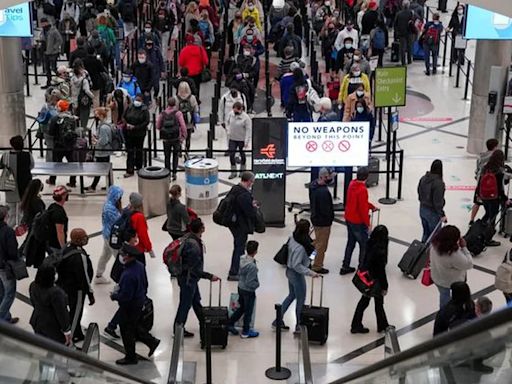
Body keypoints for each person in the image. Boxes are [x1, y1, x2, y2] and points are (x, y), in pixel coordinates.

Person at [112, 244, 160, 364]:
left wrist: (114, 296)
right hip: (139, 300)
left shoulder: (128, 275)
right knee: (134, 325)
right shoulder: (139, 266)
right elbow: (145, 283)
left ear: (128, 256)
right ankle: (151, 342)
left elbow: (126, 297)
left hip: (130, 306)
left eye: (122, 254)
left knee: (126, 329)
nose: (121, 256)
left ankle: (130, 357)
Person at [174, 218, 219, 337]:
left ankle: (204, 323)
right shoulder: (193, 246)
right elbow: (195, 269)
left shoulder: (189, 237)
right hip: (188, 279)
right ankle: (178, 329)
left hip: (188, 278)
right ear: (201, 229)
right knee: (185, 304)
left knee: (196, 301)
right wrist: (209, 276)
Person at [274, 219, 319, 334]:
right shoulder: (301, 247)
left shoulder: (293, 237)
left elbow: (310, 256)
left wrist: (314, 251)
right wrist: (311, 272)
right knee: (300, 299)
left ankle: (278, 320)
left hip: (289, 272)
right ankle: (299, 325)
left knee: (291, 295)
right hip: (296, 274)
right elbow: (297, 265)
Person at [56, 228, 94, 343]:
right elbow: (84, 277)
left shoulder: (67, 248)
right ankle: (72, 336)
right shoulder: (79, 256)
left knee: (72, 310)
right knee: (76, 311)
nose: (86, 239)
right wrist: (90, 293)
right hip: (77, 289)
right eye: (83, 237)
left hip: (64, 285)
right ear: (78, 240)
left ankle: (76, 331)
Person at [351, 225, 390, 334]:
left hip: (367, 278)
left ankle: (356, 324)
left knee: (364, 301)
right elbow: (381, 271)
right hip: (375, 281)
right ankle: (382, 325)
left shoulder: (369, 244)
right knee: (378, 303)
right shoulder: (380, 252)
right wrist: (385, 286)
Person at [341, 167, 378, 275]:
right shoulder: (362, 190)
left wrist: (371, 206)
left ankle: (345, 266)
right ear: (367, 176)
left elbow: (358, 202)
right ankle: (362, 267)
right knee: (364, 245)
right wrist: (368, 224)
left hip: (349, 218)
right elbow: (362, 209)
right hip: (358, 221)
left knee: (350, 243)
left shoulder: (352, 184)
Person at [430, 225, 473, 309]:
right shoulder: (453, 254)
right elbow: (469, 264)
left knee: (443, 296)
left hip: (437, 278)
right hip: (452, 282)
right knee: (457, 298)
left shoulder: (434, 246)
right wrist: (464, 248)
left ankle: (443, 313)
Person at [30, 265, 72, 345]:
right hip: (52, 326)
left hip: (37, 320)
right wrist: (67, 330)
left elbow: (33, 301)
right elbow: (61, 313)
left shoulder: (33, 285)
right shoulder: (56, 293)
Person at [226, 172, 257, 281]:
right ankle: (234, 272)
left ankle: (240, 267)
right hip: (240, 224)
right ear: (248, 181)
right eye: (252, 182)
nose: (252, 184)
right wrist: (254, 207)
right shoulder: (244, 194)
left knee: (239, 245)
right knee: (239, 247)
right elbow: (249, 212)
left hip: (233, 223)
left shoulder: (235, 189)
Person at [227, 241, 260, 338]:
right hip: (248, 291)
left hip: (240, 287)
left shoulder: (242, 259)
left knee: (241, 308)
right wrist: (257, 284)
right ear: (256, 251)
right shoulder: (252, 266)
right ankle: (246, 331)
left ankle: (230, 323)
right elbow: (250, 282)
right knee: (248, 311)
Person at [0, 135, 34, 227]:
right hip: (25, 184)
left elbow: (2, 166)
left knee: (11, 208)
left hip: (10, 184)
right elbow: (31, 166)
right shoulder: (28, 154)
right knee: (23, 208)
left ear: (12, 145)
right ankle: (21, 226)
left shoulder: (6, 155)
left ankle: (9, 226)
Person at [478, 149, 509, 247]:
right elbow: (500, 188)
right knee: (492, 218)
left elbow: (479, 181)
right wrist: (505, 198)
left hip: (484, 195)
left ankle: (479, 230)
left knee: (487, 214)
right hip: (494, 198)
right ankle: (488, 239)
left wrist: (478, 194)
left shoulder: (485, 167)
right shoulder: (499, 171)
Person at [95, 186, 123, 284]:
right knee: (120, 259)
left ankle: (98, 275)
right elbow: (120, 221)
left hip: (106, 235)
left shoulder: (108, 204)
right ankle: (120, 282)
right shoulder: (110, 209)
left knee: (105, 255)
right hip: (112, 237)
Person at [46, 100, 78, 187]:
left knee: (55, 163)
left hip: (58, 145)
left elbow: (50, 132)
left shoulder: (55, 118)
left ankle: (52, 180)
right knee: (72, 163)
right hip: (70, 145)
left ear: (60, 108)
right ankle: (72, 181)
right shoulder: (72, 118)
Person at [309, 168, 334, 275]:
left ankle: (309, 258)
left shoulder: (313, 185)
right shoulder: (323, 192)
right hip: (323, 222)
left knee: (317, 242)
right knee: (321, 245)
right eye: (329, 176)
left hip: (315, 218)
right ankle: (317, 266)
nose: (331, 178)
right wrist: (330, 218)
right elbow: (326, 210)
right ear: (324, 177)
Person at [157, 97, 187, 181]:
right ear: (175, 104)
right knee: (175, 155)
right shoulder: (178, 113)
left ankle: (167, 173)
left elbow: (158, 125)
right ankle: (174, 173)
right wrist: (183, 136)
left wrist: (163, 131)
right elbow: (183, 126)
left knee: (167, 156)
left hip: (166, 139)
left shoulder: (162, 114)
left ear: (167, 103)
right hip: (176, 138)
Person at [470, 139, 499, 225]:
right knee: (491, 205)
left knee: (477, 202)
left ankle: (472, 220)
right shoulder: (495, 157)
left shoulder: (481, 156)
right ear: (494, 147)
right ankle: (490, 222)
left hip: (480, 183)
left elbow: (477, 170)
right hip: (490, 184)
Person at [417, 159, 446, 243]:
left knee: (426, 232)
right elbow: (438, 202)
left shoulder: (423, 178)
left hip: (422, 209)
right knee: (434, 237)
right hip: (433, 212)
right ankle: (430, 254)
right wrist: (442, 214)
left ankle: (421, 252)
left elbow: (419, 192)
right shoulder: (439, 183)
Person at [20, 179, 46, 267]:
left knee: (29, 240)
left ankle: (22, 255)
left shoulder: (28, 198)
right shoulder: (36, 201)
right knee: (29, 241)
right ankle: (20, 255)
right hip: (35, 224)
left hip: (31, 222)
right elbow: (41, 213)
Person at [0, 206, 19, 324]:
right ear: (5, 216)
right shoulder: (8, 231)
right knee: (9, 294)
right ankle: (2, 319)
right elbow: (12, 252)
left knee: (1, 292)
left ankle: (6, 317)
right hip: (4, 267)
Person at [86, 107, 112, 191]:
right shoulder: (104, 125)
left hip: (102, 152)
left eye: (96, 114)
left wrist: (96, 141)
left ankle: (94, 186)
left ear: (101, 115)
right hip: (104, 151)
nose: (95, 116)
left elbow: (104, 141)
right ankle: (108, 185)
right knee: (104, 169)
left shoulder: (103, 127)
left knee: (100, 169)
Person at [123, 93, 150, 178]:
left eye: (139, 100)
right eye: (136, 100)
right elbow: (124, 117)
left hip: (139, 134)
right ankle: (129, 170)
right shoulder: (130, 107)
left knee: (139, 151)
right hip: (129, 133)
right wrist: (127, 124)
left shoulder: (144, 110)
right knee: (130, 152)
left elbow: (146, 122)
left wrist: (135, 127)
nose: (137, 101)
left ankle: (139, 168)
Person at [178, 33, 209, 100]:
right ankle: (196, 100)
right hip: (198, 73)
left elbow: (181, 63)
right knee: (196, 88)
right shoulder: (200, 49)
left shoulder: (184, 50)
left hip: (187, 74)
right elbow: (206, 61)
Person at [226, 102, 251, 179]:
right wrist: (228, 131)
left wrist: (246, 141)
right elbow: (227, 122)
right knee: (231, 155)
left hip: (241, 139)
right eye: (234, 111)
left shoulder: (246, 118)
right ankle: (233, 172)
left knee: (242, 155)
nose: (235, 112)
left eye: (237, 111)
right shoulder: (230, 114)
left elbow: (248, 130)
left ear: (241, 109)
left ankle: (242, 171)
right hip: (232, 138)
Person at [128, 192, 155, 259]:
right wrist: (149, 249)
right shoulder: (139, 217)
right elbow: (143, 235)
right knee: (139, 267)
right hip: (137, 249)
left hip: (128, 246)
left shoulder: (127, 211)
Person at [176, 82, 200, 157]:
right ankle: (187, 151)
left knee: (179, 136)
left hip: (179, 122)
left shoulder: (176, 98)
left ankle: (179, 151)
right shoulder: (192, 97)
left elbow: (175, 110)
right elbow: (196, 109)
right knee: (188, 137)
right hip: (189, 122)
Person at [40, 18, 64, 90]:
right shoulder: (43, 31)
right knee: (47, 69)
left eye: (43, 23)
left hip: (53, 53)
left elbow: (60, 40)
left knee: (53, 68)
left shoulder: (53, 30)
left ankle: (61, 81)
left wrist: (54, 47)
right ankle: (48, 83)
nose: (42, 25)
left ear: (47, 22)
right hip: (46, 52)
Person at [70, 58, 94, 129]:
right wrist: (93, 97)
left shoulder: (72, 77)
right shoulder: (85, 78)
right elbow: (87, 89)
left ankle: (75, 133)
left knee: (75, 119)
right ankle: (82, 134)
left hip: (74, 100)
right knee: (84, 119)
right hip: (83, 101)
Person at [47, 186, 70, 255]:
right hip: (56, 245)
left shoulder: (52, 206)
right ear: (63, 196)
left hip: (49, 242)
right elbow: (60, 232)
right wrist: (63, 247)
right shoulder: (59, 212)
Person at [394, 0, 414, 66]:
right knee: (409, 46)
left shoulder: (398, 14)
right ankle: (409, 60)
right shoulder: (411, 13)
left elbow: (395, 23)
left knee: (402, 47)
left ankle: (403, 61)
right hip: (409, 32)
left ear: (402, 5)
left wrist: (396, 32)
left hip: (401, 32)